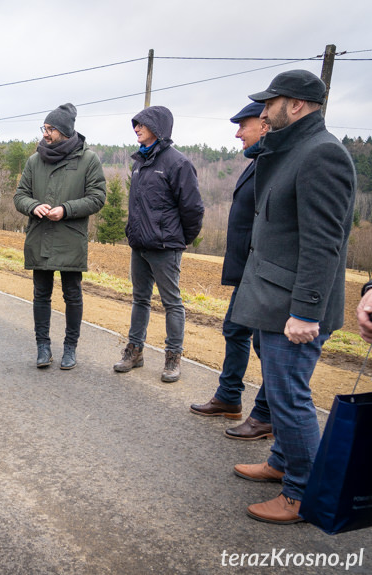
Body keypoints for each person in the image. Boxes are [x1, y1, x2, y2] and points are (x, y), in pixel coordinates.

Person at [231, 70, 356, 524]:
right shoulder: (294, 148)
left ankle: (303, 494)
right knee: (280, 391)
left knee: (290, 397)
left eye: (271, 103)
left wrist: (306, 311)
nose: (263, 112)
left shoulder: (322, 155)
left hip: (292, 306)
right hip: (269, 298)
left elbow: (325, 242)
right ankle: (282, 462)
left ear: (298, 105)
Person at [190, 103, 273, 441]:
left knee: (267, 346)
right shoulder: (259, 160)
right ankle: (229, 398)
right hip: (247, 272)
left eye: (243, 125)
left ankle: (266, 414)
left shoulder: (273, 162)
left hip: (263, 273)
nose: (238, 133)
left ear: (265, 124)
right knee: (235, 330)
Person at [112, 106, 204, 382]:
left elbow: (193, 209)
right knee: (140, 299)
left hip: (166, 248)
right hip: (139, 245)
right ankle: (135, 351)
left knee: (172, 303)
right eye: (135, 124)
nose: (137, 128)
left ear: (159, 128)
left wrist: (178, 240)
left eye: (142, 124)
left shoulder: (177, 163)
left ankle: (173, 357)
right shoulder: (140, 162)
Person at [13, 103, 106, 369]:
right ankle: (43, 347)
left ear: (65, 131)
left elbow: (97, 198)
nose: (46, 133)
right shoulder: (34, 160)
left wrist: (65, 210)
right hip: (40, 236)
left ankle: (70, 348)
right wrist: (33, 206)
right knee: (41, 294)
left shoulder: (88, 160)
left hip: (70, 237)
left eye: (50, 128)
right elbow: (20, 196)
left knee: (72, 295)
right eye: (44, 127)